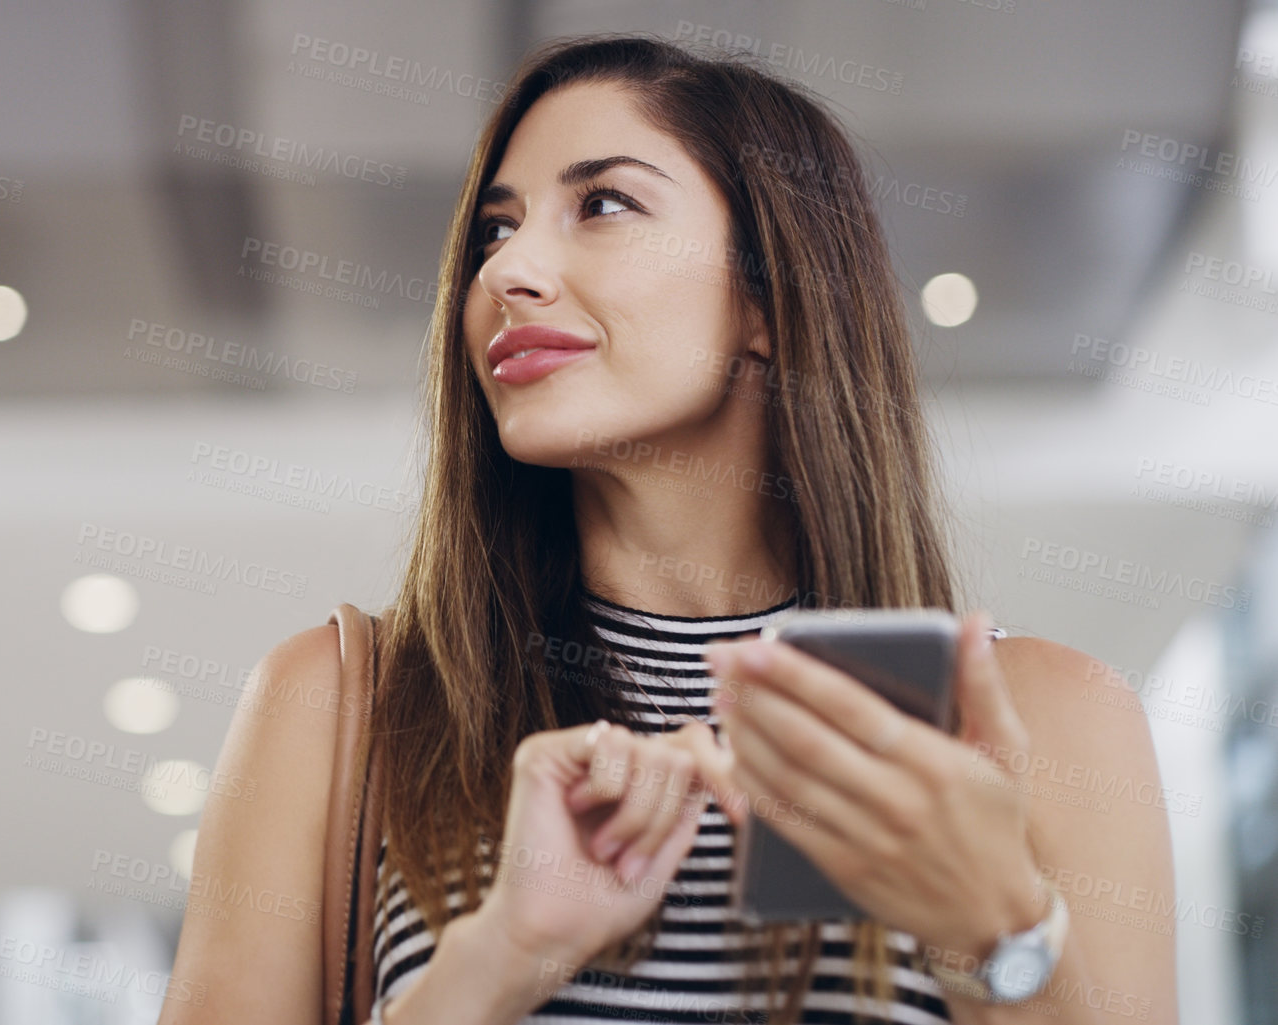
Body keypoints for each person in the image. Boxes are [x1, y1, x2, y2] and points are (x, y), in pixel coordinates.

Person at [160, 33, 1175, 1025]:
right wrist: (496, 958)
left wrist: (992, 932)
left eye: (601, 203)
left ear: (766, 296)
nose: (508, 271)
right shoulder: (343, 705)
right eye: (494, 230)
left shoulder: (1050, 717)